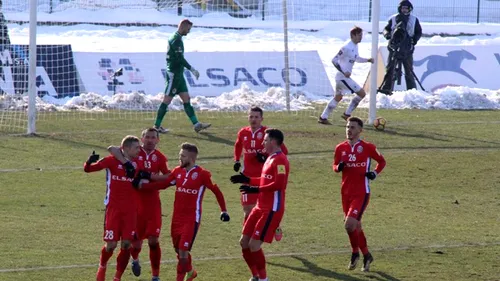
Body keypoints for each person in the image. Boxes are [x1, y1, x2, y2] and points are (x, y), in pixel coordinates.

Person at [134, 142, 230, 281]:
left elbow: (216, 191)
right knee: (179, 251)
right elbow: (163, 184)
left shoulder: (202, 174)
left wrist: (224, 211)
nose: (180, 158)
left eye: (183, 156)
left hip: (191, 219)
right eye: (180, 155)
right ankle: (190, 272)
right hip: (176, 219)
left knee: (183, 252)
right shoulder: (177, 172)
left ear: (192, 158)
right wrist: (142, 186)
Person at [108, 128, 169, 281]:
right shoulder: (134, 152)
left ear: (157, 140)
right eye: (147, 137)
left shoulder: (160, 157)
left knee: (154, 240)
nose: (150, 140)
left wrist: (149, 177)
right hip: (135, 204)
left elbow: (168, 177)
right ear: (142, 139)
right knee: (134, 243)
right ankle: (135, 259)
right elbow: (113, 149)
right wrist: (125, 163)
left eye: (153, 137)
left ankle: (156, 276)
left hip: (153, 204)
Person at [230, 128, 290, 281]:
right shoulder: (270, 158)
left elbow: (279, 184)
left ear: (273, 141)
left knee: (254, 245)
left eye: (265, 140)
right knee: (244, 242)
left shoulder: (280, 160)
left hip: (271, 209)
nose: (262, 142)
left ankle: (264, 279)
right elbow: (265, 180)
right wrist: (247, 180)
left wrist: (255, 188)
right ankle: (255, 276)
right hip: (259, 207)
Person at [83, 135, 142, 281]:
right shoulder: (111, 161)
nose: (139, 150)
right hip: (113, 209)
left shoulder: (137, 163)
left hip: (130, 210)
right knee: (111, 245)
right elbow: (89, 169)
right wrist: (89, 162)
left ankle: (117, 277)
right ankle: (102, 266)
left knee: (127, 244)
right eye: (136, 147)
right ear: (127, 148)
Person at [332, 117, 386, 272]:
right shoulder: (340, 148)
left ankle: (355, 253)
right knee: (356, 226)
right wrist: (338, 168)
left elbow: (382, 162)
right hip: (345, 193)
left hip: (361, 193)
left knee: (349, 225)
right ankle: (367, 255)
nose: (349, 130)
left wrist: (374, 173)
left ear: (360, 130)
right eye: (348, 127)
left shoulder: (367, 147)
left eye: (353, 127)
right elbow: (334, 165)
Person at [233, 106, 288, 241]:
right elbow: (238, 145)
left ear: (261, 119)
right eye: (251, 116)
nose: (253, 120)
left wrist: (265, 158)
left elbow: (283, 151)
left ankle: (275, 225)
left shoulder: (268, 134)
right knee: (247, 209)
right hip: (247, 177)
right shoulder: (243, 132)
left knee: (264, 208)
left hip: (264, 179)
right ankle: (247, 234)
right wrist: (236, 160)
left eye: (256, 117)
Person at [153, 18, 211, 134]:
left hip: (179, 75)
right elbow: (180, 59)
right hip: (174, 75)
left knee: (186, 99)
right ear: (183, 26)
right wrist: (191, 69)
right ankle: (156, 127)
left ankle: (196, 124)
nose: (189, 32)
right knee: (166, 100)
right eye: (188, 29)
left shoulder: (176, 37)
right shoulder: (176, 40)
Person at [318, 26, 374, 125]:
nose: (361, 37)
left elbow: (356, 58)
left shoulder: (355, 46)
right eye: (359, 35)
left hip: (342, 78)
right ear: (353, 35)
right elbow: (334, 60)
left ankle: (323, 117)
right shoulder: (346, 47)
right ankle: (347, 114)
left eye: (361, 35)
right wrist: (344, 72)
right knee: (362, 93)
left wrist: (367, 60)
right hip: (342, 77)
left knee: (338, 97)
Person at [378, 0, 422, 95]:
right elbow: (386, 29)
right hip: (394, 48)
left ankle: (411, 91)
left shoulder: (414, 19)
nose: (404, 10)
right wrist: (388, 35)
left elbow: (418, 32)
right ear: (400, 9)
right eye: (403, 8)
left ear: (410, 9)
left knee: (409, 71)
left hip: (407, 50)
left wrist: (414, 40)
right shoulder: (393, 18)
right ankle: (386, 90)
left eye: (406, 8)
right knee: (390, 69)